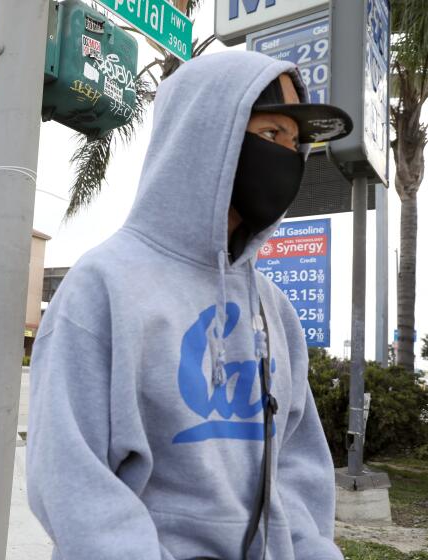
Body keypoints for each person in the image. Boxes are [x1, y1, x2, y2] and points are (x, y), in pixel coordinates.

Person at [26, 50, 353, 560]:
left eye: (297, 143)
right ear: (207, 134)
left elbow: (296, 465)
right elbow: (74, 481)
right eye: (272, 136)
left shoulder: (273, 307)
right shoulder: (104, 284)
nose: (289, 158)